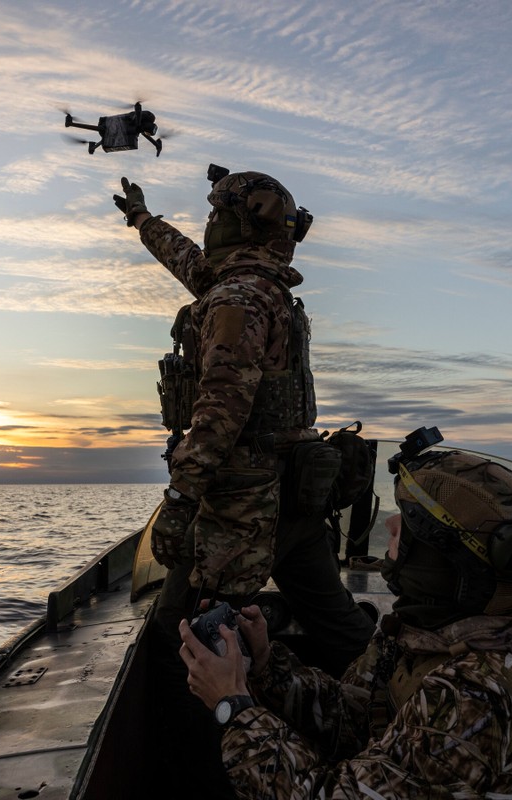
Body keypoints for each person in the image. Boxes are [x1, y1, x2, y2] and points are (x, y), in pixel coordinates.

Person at [113, 169, 375, 795]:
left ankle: (200, 777)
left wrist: (180, 499)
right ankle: (377, 717)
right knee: (336, 625)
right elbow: (190, 263)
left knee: (183, 637)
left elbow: (219, 414)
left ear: (234, 225)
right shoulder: (255, 287)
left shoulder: (236, 301)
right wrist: (142, 220)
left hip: (239, 509)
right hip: (296, 497)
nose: (205, 228)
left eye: (215, 218)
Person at [179, 445, 512, 799]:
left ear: (439, 557)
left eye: (407, 521)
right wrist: (264, 666)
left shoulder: (475, 697)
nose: (390, 525)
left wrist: (232, 707)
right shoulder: (423, 635)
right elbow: (355, 719)